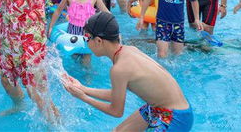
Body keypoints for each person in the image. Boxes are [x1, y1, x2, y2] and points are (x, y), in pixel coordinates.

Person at [63, 12, 194, 132]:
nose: (86, 43)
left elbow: (116, 111)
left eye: (87, 39)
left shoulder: (119, 69)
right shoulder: (128, 50)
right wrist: (83, 88)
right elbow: (116, 96)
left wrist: (82, 97)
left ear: (98, 40)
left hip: (174, 117)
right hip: (161, 107)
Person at [49, 0, 109, 65]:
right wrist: (50, 27)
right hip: (72, 30)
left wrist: (113, 31)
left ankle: (87, 79)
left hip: (88, 32)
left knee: (86, 61)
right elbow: (58, 10)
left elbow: (106, 13)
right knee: (73, 58)